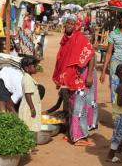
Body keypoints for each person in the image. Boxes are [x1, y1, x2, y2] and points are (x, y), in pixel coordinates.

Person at [52, 14, 96, 146]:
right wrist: (60, 78)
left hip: (81, 78)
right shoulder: (65, 40)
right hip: (71, 79)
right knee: (73, 106)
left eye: (72, 23)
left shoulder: (81, 39)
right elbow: (62, 60)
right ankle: (74, 134)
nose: (70, 25)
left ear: (76, 25)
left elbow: (91, 55)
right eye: (68, 23)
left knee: (79, 106)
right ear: (64, 24)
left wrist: (88, 76)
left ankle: (79, 136)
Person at [100, 12, 122, 102]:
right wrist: (103, 72)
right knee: (116, 89)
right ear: (119, 21)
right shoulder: (113, 34)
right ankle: (116, 114)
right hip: (116, 65)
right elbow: (109, 53)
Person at [107, 64, 122, 163]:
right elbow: (120, 102)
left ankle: (120, 149)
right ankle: (110, 155)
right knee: (118, 135)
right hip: (120, 116)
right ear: (121, 76)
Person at [18, 55, 41, 132]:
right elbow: (28, 95)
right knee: (28, 126)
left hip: (30, 107)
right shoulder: (27, 79)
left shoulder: (28, 78)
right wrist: (32, 108)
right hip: (28, 108)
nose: (36, 67)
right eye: (34, 66)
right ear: (27, 68)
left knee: (30, 125)